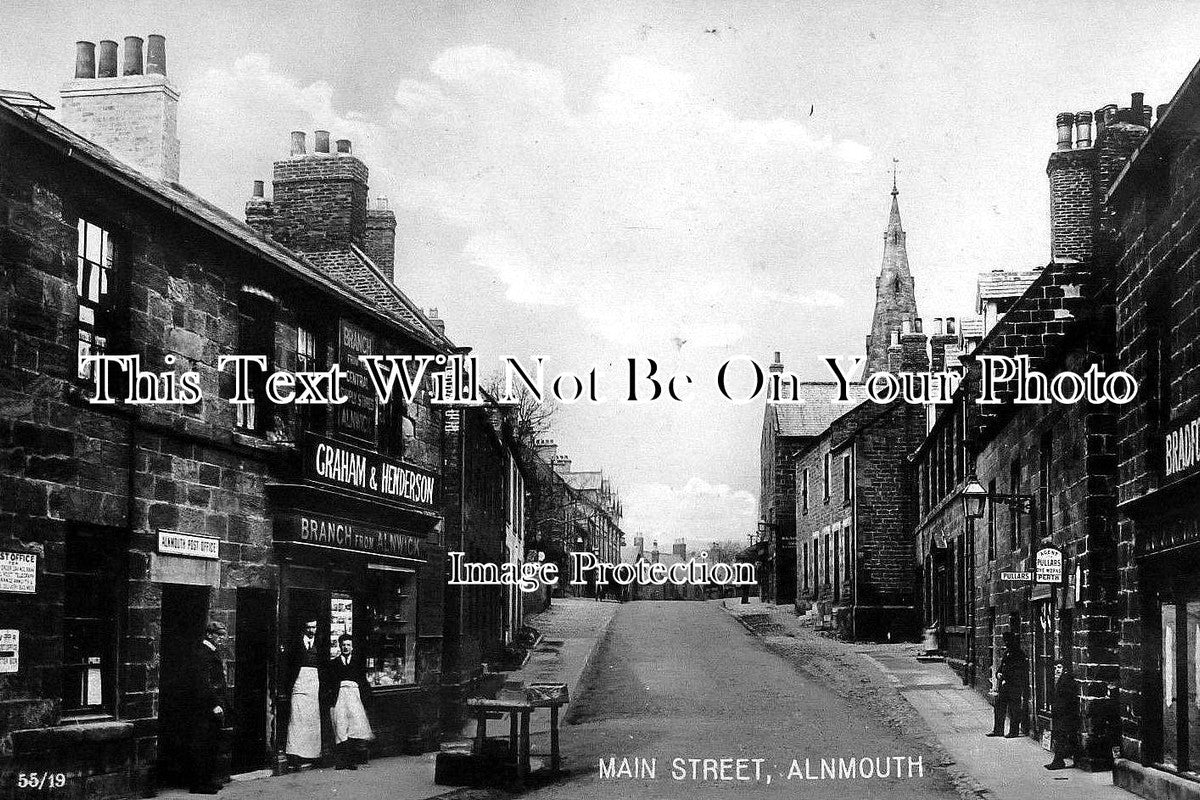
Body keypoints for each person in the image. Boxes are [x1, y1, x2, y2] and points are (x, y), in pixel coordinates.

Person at [323, 634, 374, 770]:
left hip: (354, 697)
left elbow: (363, 681)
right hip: (340, 696)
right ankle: (341, 761)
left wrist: (366, 698)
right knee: (340, 725)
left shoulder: (357, 662)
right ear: (340, 646)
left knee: (354, 727)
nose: (346, 647)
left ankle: (351, 760)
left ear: (352, 647)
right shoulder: (334, 663)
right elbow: (330, 683)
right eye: (343, 645)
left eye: (348, 645)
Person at [189, 621, 229, 794]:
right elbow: (203, 683)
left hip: (212, 706)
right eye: (218, 635)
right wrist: (214, 704)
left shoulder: (211, 652)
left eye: (222, 635)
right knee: (203, 745)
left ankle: (207, 780)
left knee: (211, 744)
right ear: (209, 635)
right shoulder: (203, 653)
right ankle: (198, 784)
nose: (221, 638)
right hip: (205, 708)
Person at [284, 618, 323, 770]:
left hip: (314, 684)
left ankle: (311, 754)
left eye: (314, 627)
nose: (312, 630)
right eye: (309, 627)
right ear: (304, 628)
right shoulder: (296, 643)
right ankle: (296, 755)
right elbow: (290, 665)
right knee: (297, 718)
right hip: (299, 683)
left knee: (312, 719)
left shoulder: (319, 643)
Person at [987, 632, 1028, 738]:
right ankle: (998, 730)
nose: (1006, 643)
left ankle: (1014, 732)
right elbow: (1002, 666)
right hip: (1005, 686)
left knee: (1014, 709)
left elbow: (1017, 671)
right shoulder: (1007, 653)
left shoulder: (1018, 654)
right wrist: (998, 674)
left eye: (1008, 641)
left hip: (1014, 686)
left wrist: (1004, 675)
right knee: (999, 707)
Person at [1046, 661, 1080, 770]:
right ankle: (1074, 759)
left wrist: (1058, 708)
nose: (1057, 669)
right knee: (1068, 738)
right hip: (1063, 714)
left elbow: (1067, 698)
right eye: (1055, 667)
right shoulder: (1061, 679)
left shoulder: (1066, 680)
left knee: (1061, 737)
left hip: (1066, 714)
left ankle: (1058, 761)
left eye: (1059, 667)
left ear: (1065, 668)